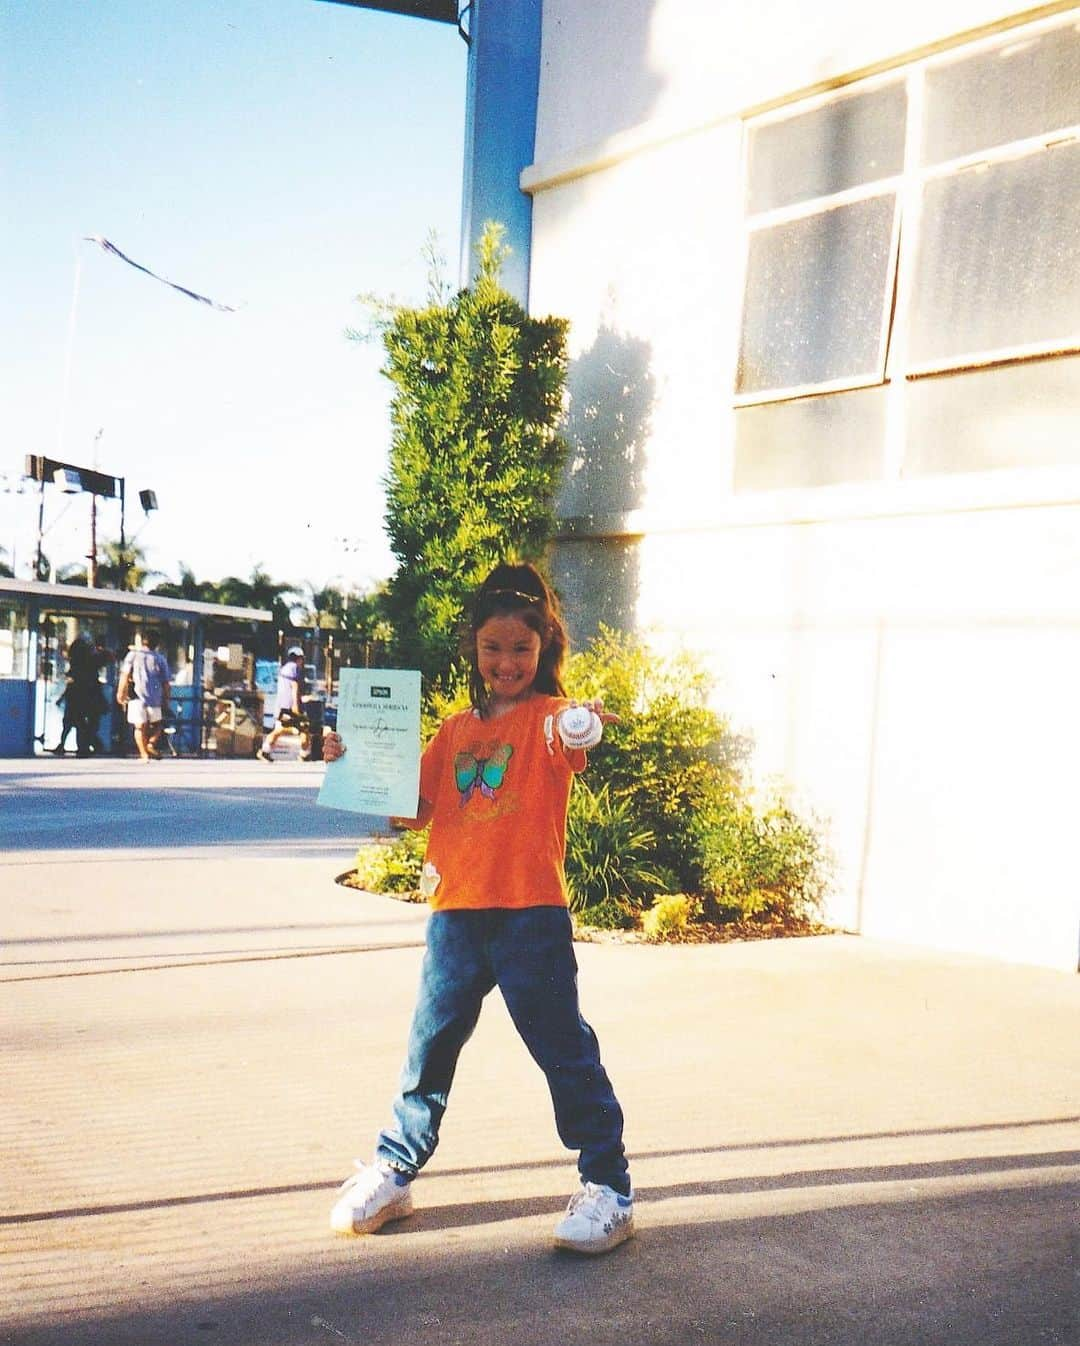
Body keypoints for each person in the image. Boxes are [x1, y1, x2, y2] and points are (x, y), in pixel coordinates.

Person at [322, 562, 634, 1255]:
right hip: (456, 918)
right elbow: (414, 810)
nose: (507, 662)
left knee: (562, 1051)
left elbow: (576, 734)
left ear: (543, 649)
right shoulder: (454, 730)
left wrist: (587, 724)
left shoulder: (552, 719)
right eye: (493, 648)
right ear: (474, 649)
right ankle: (395, 1172)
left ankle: (608, 1186)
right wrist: (349, 761)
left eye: (521, 649)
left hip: (532, 919)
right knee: (428, 1050)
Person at [117, 631, 171, 762]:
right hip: (155, 699)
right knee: (158, 725)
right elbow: (166, 683)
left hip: (136, 697)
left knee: (139, 727)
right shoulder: (160, 659)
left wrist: (121, 693)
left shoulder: (132, 655)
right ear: (157, 644)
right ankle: (151, 744)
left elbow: (124, 675)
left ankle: (144, 755)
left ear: (142, 642)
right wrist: (166, 699)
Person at [257, 647, 310, 762]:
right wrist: (296, 704)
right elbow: (294, 687)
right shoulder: (294, 668)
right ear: (299, 658)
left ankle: (266, 750)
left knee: (285, 728)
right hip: (290, 705)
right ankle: (304, 753)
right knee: (302, 727)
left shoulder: (284, 668)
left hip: (281, 704)